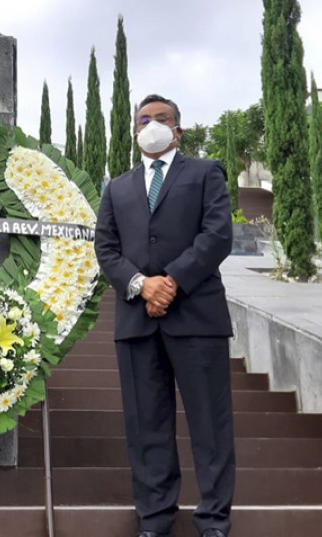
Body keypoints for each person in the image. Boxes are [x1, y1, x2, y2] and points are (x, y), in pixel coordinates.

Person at [94, 94, 235, 537]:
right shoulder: (116, 187)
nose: (152, 124)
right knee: (146, 424)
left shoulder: (205, 172)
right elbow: (106, 249)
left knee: (210, 423)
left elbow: (217, 234)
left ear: (178, 129)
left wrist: (171, 281)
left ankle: (213, 519)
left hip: (197, 315)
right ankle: (154, 518)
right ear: (134, 130)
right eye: (144, 119)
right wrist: (141, 285)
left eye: (162, 118)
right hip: (137, 321)